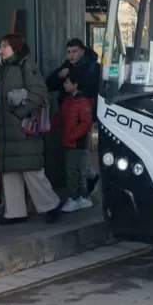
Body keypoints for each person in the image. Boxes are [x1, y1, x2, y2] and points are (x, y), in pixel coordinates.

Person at [0, 34, 62, 225]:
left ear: (15, 48)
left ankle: (51, 205)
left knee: (31, 170)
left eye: (4, 46)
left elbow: (39, 92)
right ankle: (14, 212)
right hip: (7, 129)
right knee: (10, 171)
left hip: (22, 128)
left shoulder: (26, 65)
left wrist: (20, 113)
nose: (0, 50)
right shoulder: (3, 67)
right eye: (0, 46)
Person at [45, 38, 101, 195]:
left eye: (74, 51)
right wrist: (60, 76)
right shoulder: (67, 66)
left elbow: (95, 89)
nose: (71, 55)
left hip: (84, 113)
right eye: (69, 52)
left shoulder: (93, 67)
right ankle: (83, 188)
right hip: (68, 112)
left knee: (80, 154)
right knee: (74, 156)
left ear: (82, 51)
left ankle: (82, 188)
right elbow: (50, 83)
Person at [58, 73, 95, 213]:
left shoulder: (82, 101)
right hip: (71, 141)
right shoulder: (68, 100)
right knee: (77, 170)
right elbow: (61, 117)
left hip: (76, 142)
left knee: (72, 171)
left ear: (76, 84)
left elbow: (86, 123)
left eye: (67, 82)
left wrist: (72, 136)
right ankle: (82, 196)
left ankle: (73, 197)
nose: (64, 84)